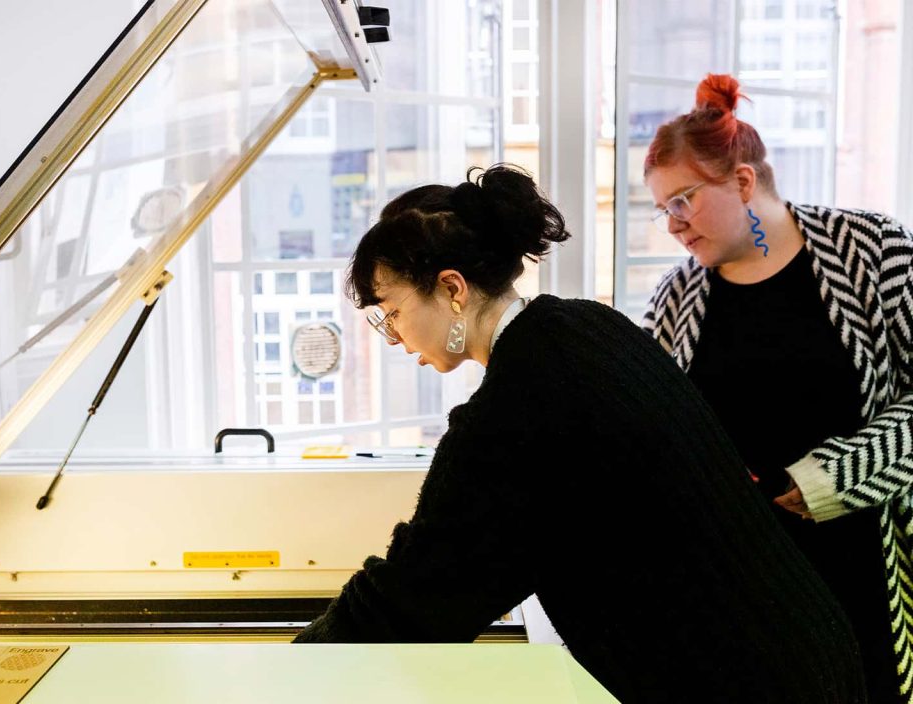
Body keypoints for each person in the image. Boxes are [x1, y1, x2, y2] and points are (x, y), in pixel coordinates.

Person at [293, 164, 866, 703]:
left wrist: (284, 675)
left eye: (390, 311)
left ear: (452, 288)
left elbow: (419, 590)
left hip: (741, 681)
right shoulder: (586, 327)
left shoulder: (521, 398)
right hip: (804, 646)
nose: (392, 336)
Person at [641, 73, 913, 703]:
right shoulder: (676, 298)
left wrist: (835, 477)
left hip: (866, 572)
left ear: (742, 181)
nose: (674, 225)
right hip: (738, 594)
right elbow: (657, 432)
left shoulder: (872, 251)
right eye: (663, 210)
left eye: (683, 199)